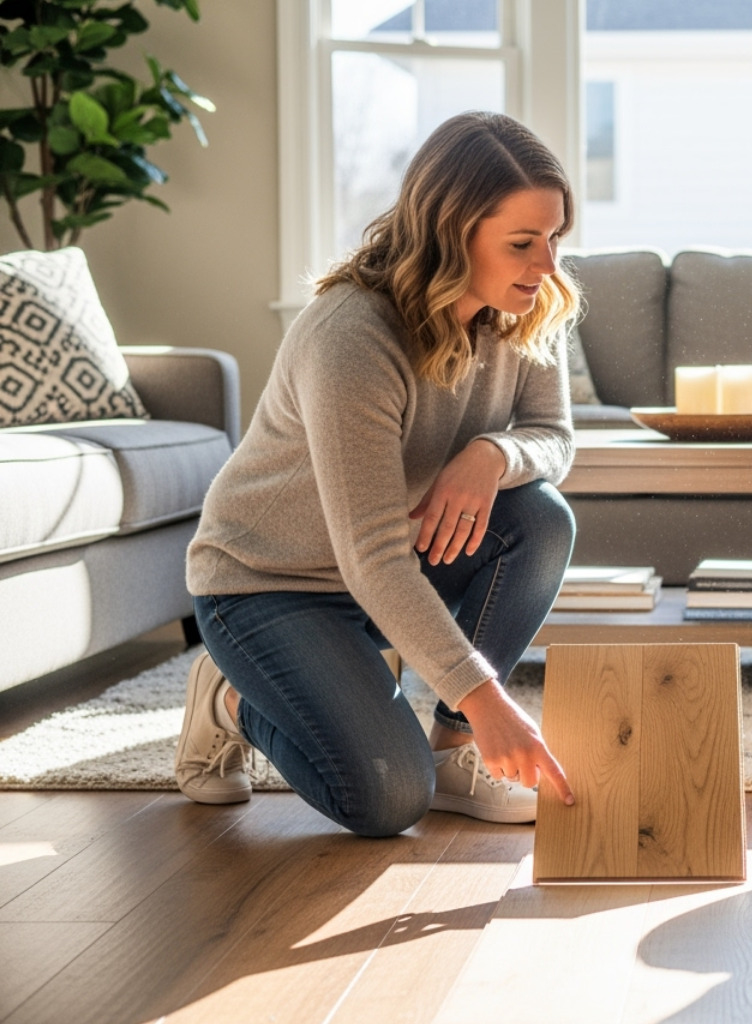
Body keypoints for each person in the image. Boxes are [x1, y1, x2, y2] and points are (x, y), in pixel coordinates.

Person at [173, 112, 580, 837]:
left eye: (554, 239)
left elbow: (554, 438)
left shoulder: (524, 311)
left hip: (386, 569)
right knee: (387, 798)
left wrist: (494, 455)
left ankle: (454, 749)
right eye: (523, 243)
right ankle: (228, 700)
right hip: (270, 585)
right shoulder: (353, 336)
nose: (547, 264)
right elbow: (372, 556)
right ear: (451, 233)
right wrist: (491, 701)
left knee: (540, 517)